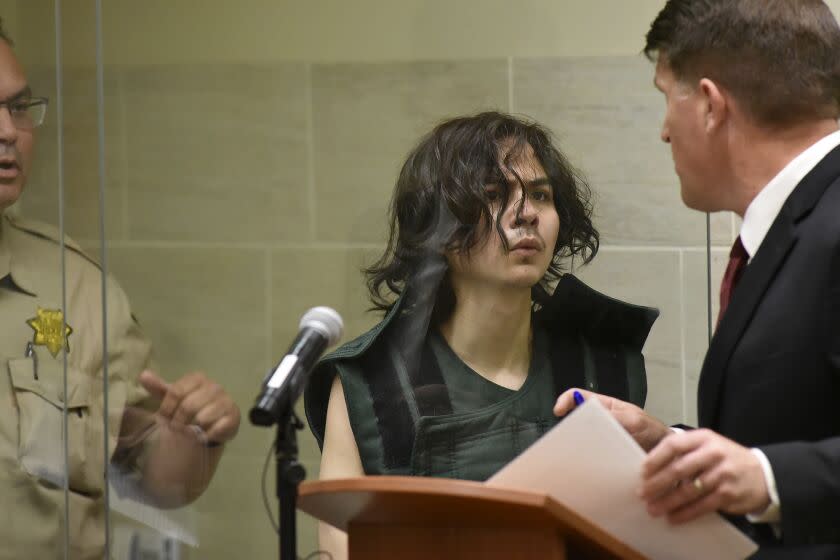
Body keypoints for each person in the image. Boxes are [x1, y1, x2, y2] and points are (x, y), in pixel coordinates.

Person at [553, 1, 840, 557]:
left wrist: (768, 477)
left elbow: (770, 470)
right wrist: (673, 447)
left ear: (710, 104)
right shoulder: (794, 224)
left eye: (666, 97)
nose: (663, 132)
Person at [304, 111, 659, 558]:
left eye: (540, 194)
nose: (525, 214)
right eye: (494, 195)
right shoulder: (370, 382)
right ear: (439, 231)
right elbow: (341, 549)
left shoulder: (601, 360)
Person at [0, 19, 240, 559]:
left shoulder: (74, 287)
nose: (9, 131)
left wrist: (192, 438)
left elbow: (150, 476)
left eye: (19, 108)